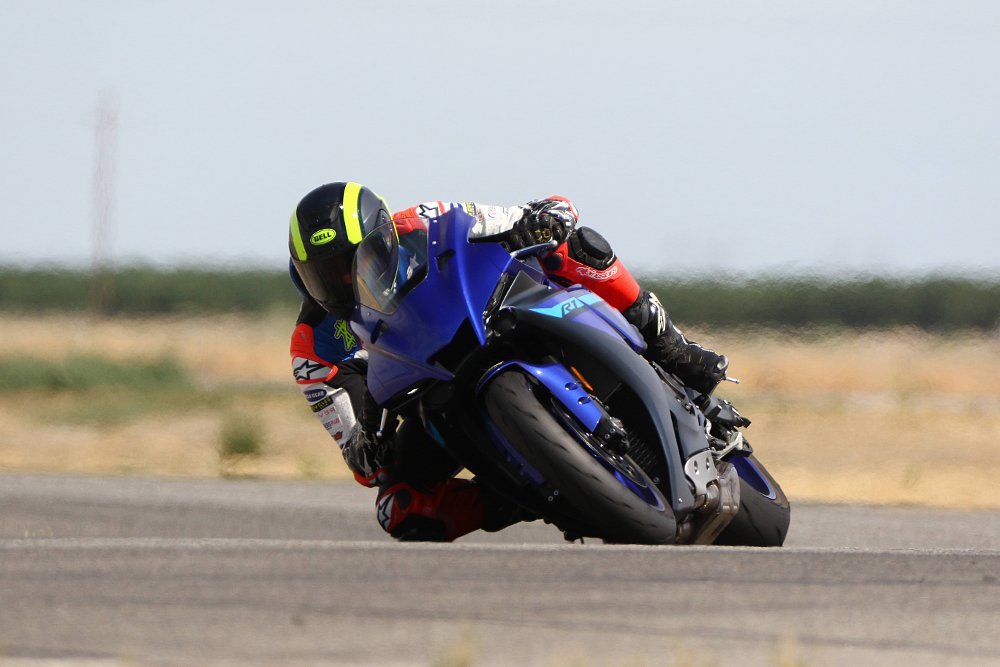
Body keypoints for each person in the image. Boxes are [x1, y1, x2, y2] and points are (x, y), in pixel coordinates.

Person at [288, 181, 729, 541]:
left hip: (491, 316)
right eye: (326, 275)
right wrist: (368, 448)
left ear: (384, 236)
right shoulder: (313, 348)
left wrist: (543, 219)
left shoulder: (425, 219)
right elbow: (358, 455)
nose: (345, 280)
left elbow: (524, 214)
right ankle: (529, 494)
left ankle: (668, 342)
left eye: (353, 263)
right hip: (427, 393)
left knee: (572, 244)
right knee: (397, 509)